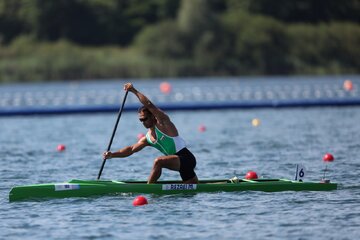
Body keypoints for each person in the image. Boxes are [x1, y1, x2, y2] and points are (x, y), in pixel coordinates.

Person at [103, 83, 198, 184]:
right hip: (180, 165)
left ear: (153, 116)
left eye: (145, 119)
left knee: (158, 161)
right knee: (193, 190)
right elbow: (131, 149)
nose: (143, 122)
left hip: (186, 159)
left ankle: (149, 188)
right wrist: (112, 155)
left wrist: (133, 90)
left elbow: (149, 104)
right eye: (141, 120)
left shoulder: (163, 123)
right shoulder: (148, 138)